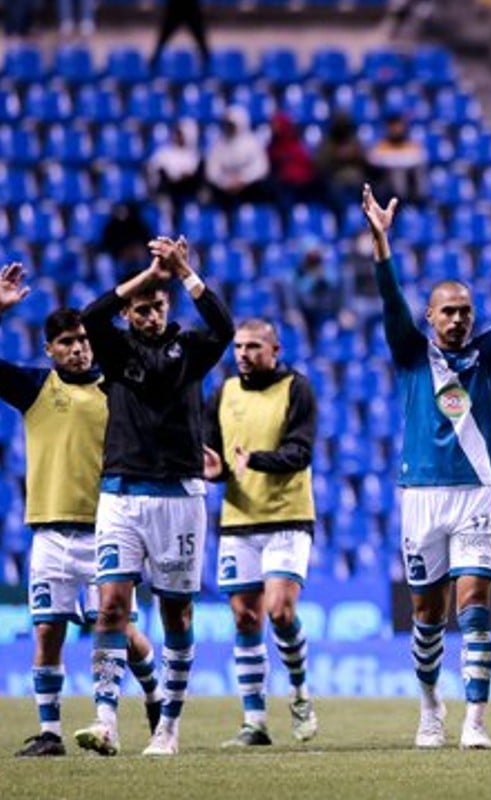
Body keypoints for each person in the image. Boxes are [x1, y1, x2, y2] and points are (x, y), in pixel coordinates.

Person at [363, 182, 491, 749]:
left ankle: (475, 721)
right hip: (421, 495)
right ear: (430, 316)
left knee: (474, 605)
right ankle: (431, 705)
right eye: (448, 311)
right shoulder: (410, 353)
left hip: (477, 493)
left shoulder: (488, 354)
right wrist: (381, 244)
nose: (458, 319)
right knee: (427, 615)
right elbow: (389, 301)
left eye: (466, 311)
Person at [73, 236, 234, 756]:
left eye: (156, 308)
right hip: (121, 492)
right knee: (111, 608)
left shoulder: (190, 349)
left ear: (168, 309)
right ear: (132, 313)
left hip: (181, 495)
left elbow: (225, 327)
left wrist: (185, 270)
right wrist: (148, 275)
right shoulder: (116, 350)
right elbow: (92, 315)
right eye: (139, 311)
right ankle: (106, 721)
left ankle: (168, 725)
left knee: (176, 615)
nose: (147, 316)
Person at [0, 265, 163, 757]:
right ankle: (50, 732)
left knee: (118, 630)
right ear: (49, 350)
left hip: (108, 529)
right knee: (48, 629)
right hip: (49, 531)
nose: (78, 348)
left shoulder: (117, 388)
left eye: (84, 340)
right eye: (67, 342)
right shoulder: (35, 390)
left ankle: (153, 691)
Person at [203, 319, 319, 747]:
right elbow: (212, 453)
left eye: (253, 346)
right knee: (245, 617)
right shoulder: (223, 393)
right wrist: (214, 471)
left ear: (275, 349)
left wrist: (255, 460)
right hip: (238, 521)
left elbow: (300, 451)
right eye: (237, 347)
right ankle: (255, 721)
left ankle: (300, 691)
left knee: (280, 611)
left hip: (288, 518)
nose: (243, 354)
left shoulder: (296, 389)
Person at [206, 107, 271, 210]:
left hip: (249, 186)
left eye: (232, 124)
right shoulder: (219, 144)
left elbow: (261, 167)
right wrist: (226, 182)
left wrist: (243, 179)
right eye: (227, 124)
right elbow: (212, 170)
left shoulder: (252, 143)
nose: (229, 127)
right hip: (225, 188)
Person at [268, 112, 326, 211]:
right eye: (273, 125)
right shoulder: (272, 147)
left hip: (304, 183)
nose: (274, 128)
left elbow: (307, 164)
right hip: (285, 184)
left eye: (277, 125)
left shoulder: (297, 144)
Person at [367, 115, 427, 206]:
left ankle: (420, 201)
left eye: (398, 125)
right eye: (393, 126)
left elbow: (421, 157)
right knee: (397, 173)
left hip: (411, 183)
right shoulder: (382, 145)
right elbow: (373, 159)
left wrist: (394, 160)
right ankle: (400, 201)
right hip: (388, 186)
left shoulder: (410, 145)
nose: (396, 129)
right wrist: (400, 160)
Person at [146, 120, 203, 214]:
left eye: (181, 134)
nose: (178, 137)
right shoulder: (164, 153)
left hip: (187, 189)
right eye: (177, 133)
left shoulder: (195, 155)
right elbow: (153, 169)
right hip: (167, 189)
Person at [316, 112, 369, 210]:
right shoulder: (328, 142)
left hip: (356, 179)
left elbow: (365, 161)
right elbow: (319, 164)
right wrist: (335, 155)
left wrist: (353, 154)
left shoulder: (353, 141)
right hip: (335, 179)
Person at [149, 0, 211, 72]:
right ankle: (153, 64)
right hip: (178, 6)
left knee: (201, 39)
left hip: (188, 6)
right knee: (163, 38)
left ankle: (208, 64)